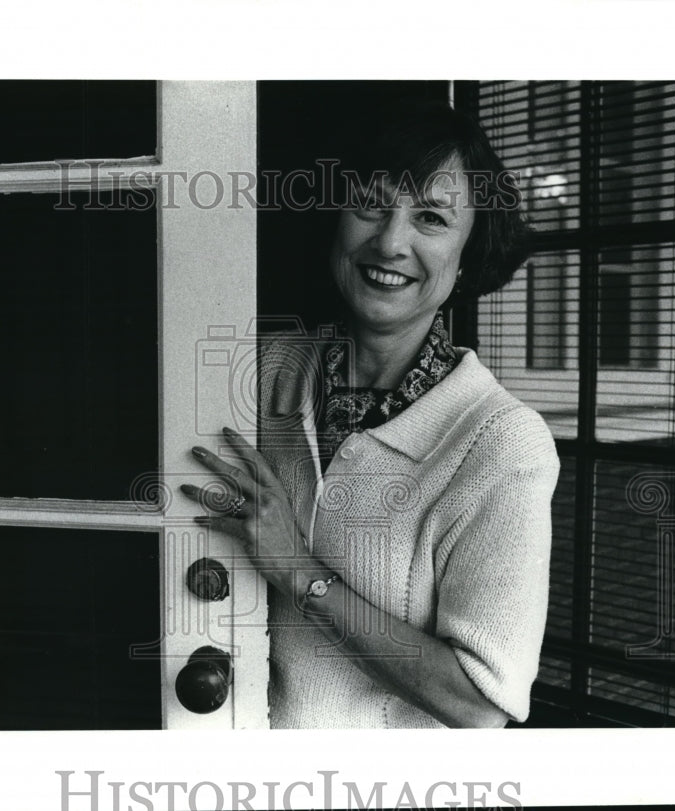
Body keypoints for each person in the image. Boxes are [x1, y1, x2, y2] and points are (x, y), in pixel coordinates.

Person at [181, 102, 559, 729]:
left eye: (431, 218)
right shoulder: (263, 369)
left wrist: (300, 572)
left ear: (468, 253)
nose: (390, 241)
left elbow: (480, 703)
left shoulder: (501, 442)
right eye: (371, 204)